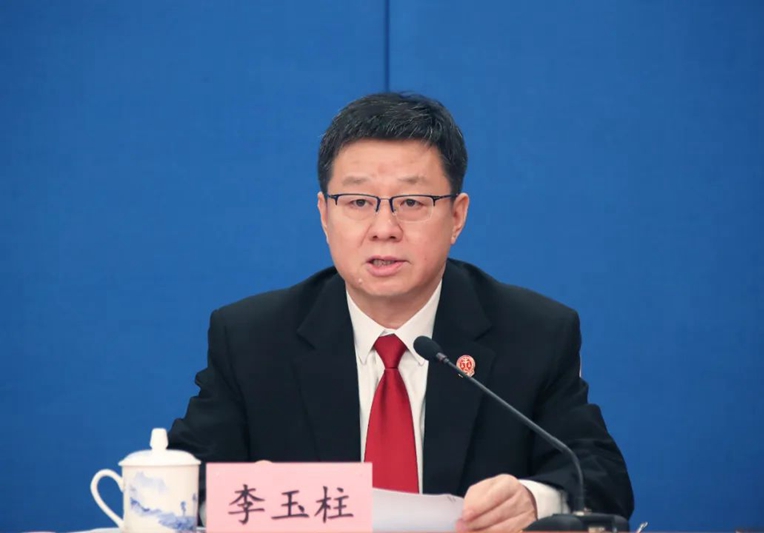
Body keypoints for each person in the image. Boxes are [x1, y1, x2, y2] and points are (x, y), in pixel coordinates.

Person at [168, 92, 634, 531]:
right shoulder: (253, 338)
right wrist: (258, 497)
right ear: (325, 215)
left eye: (411, 202)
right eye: (358, 202)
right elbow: (183, 482)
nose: (384, 228)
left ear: (456, 217)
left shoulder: (532, 333)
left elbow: (600, 476)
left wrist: (535, 501)